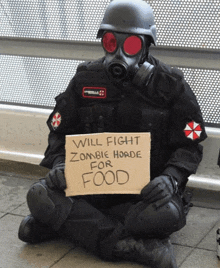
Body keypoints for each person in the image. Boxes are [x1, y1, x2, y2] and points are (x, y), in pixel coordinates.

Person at [18, 0, 207, 267]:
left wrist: (171, 178)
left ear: (147, 44)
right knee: (39, 195)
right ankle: (128, 246)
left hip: (142, 194)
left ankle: (66, 226)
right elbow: (60, 133)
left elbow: (190, 145)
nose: (119, 53)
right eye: (110, 42)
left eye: (130, 45)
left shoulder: (170, 85)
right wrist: (60, 163)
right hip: (90, 189)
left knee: (166, 213)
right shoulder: (85, 79)